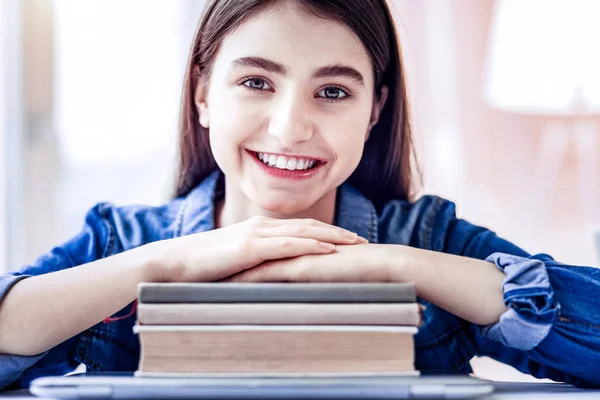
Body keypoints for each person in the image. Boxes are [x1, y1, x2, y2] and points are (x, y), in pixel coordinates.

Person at [1, 0, 599, 391]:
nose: (290, 128)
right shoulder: (123, 242)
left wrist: (391, 261)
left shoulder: (431, 240)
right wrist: (170, 261)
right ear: (203, 95)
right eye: (256, 82)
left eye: (334, 92)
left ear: (374, 111)